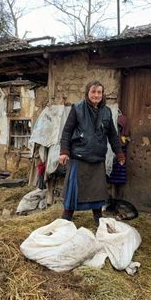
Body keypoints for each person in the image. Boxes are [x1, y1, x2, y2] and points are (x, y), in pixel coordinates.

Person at [59, 80, 125, 225]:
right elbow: (67, 131)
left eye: (99, 92)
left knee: (97, 191)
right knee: (73, 191)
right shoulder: (77, 108)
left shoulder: (106, 112)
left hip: (97, 158)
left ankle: (98, 218)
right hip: (79, 156)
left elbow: (113, 135)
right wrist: (64, 151)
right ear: (87, 93)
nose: (96, 95)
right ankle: (66, 218)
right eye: (93, 92)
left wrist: (119, 153)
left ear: (103, 94)